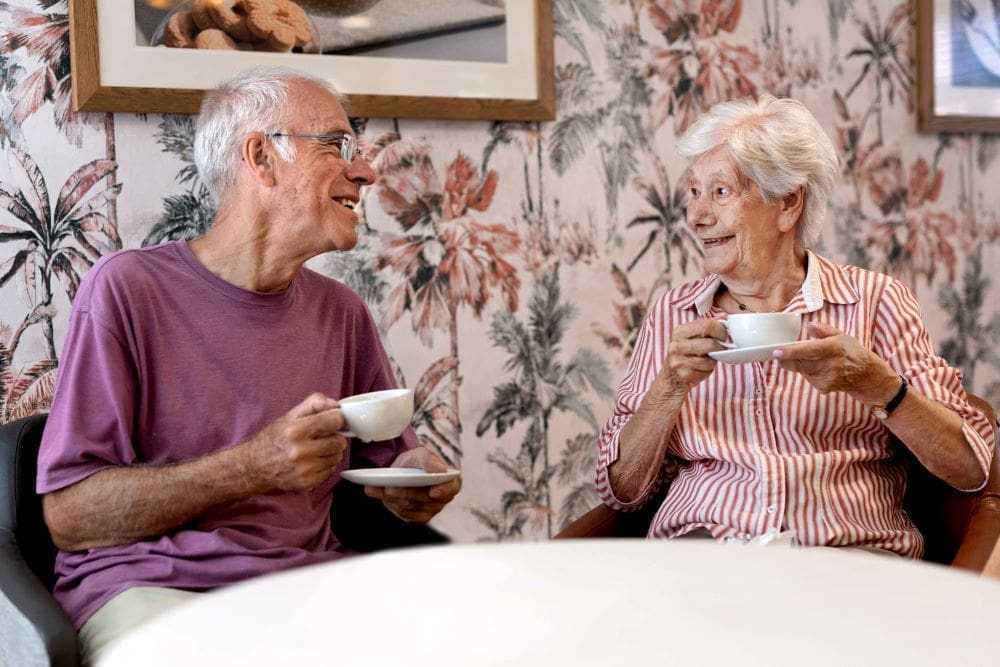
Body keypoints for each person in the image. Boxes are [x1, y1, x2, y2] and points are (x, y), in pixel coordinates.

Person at [36, 65, 460, 663]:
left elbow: (390, 463)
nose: (365, 170)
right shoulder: (127, 290)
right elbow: (70, 518)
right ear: (261, 157)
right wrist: (250, 468)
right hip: (155, 588)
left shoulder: (342, 313)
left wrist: (416, 476)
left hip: (306, 586)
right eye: (338, 146)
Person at [597, 94, 994, 557]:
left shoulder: (876, 302)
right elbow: (620, 491)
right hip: (704, 561)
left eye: (720, 192)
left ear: (787, 203)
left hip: (850, 558)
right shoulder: (674, 313)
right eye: (694, 192)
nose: (697, 215)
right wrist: (668, 387)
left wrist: (876, 385)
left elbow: (970, 468)